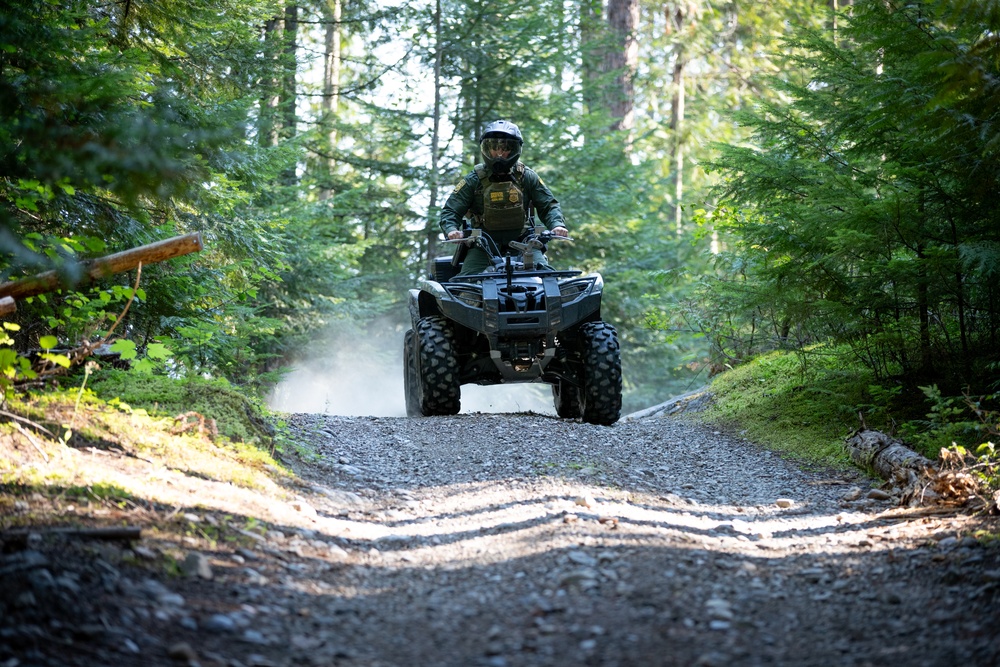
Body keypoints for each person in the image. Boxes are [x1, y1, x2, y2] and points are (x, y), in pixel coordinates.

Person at [440, 120, 568, 275]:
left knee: (548, 278)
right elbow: (451, 210)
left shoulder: (527, 177)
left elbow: (548, 204)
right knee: (465, 284)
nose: (499, 154)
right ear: (486, 149)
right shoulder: (473, 180)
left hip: (524, 243)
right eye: (494, 148)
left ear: (514, 150)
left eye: (505, 149)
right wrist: (452, 230)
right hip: (483, 245)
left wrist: (557, 225)